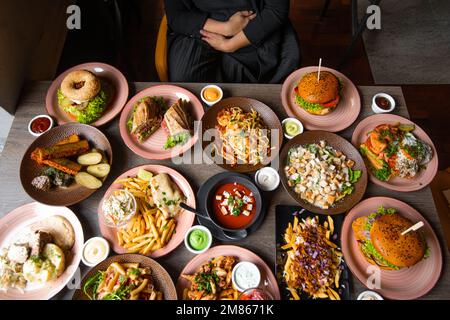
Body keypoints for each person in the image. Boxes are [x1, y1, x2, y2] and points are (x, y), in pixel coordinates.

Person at [165, 0, 300, 83]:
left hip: (253, 28)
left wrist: (230, 44)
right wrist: (226, 28)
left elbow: (276, 10)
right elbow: (176, 15)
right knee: (186, 80)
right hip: (201, 29)